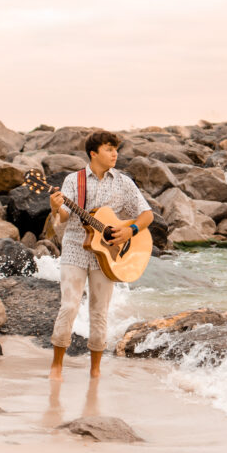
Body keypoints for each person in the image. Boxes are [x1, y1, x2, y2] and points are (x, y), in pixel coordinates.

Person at [48, 130, 153, 380]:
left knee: (99, 312)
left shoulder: (123, 182)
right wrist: (55, 206)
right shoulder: (74, 181)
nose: (115, 153)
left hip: (107, 255)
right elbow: (64, 215)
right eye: (108, 149)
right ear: (93, 153)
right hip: (75, 247)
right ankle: (56, 366)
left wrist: (129, 231)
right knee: (70, 306)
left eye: (116, 149)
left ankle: (95, 370)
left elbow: (146, 215)